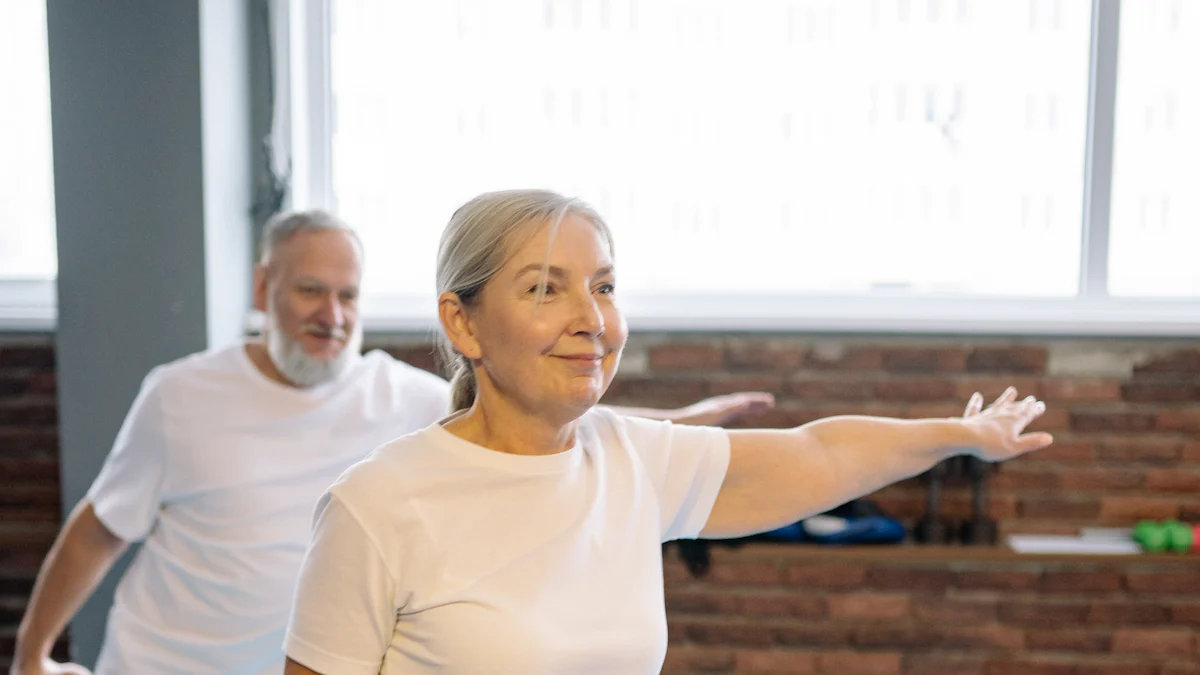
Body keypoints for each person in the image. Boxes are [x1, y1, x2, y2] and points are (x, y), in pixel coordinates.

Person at [282, 189, 1054, 675]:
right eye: (545, 288)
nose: (591, 319)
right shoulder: (378, 504)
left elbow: (818, 453)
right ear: (464, 322)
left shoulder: (632, 459)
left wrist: (960, 433)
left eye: (605, 286)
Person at [10, 210, 774, 675]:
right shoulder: (179, 396)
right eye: (310, 290)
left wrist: (686, 420)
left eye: (348, 295)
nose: (332, 313)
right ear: (262, 289)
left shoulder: (402, 397)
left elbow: (541, 414)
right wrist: (31, 652)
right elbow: (96, 531)